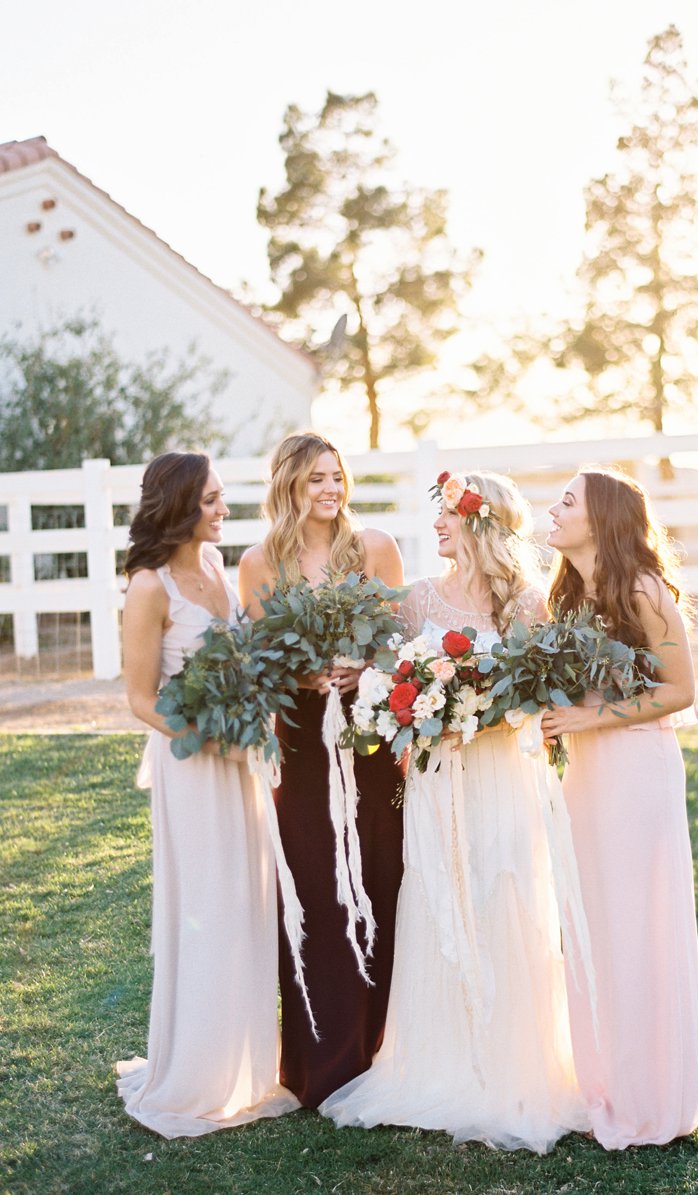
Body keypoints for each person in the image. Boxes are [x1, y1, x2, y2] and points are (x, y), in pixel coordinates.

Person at [320, 471, 587, 1154]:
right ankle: (441, 1060)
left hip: (500, 773)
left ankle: (508, 1067)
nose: (435, 526)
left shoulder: (528, 603)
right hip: (437, 779)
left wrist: (471, 714)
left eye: (446, 516)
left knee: (503, 893)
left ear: (480, 524)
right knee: (441, 898)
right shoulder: (416, 600)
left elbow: (541, 696)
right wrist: (393, 697)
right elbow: (387, 681)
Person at [116, 451, 297, 1137]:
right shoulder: (149, 587)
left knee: (246, 898)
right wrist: (207, 735)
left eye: (223, 499)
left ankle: (242, 1063)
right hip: (193, 762)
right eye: (213, 501)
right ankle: (196, 1070)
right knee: (209, 901)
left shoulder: (219, 568)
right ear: (182, 505)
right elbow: (139, 697)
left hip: (238, 754)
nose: (224, 510)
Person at [238, 431, 405, 1109]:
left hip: (367, 734)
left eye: (337, 477)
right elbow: (257, 659)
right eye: (315, 479)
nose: (331, 490)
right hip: (302, 740)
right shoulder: (258, 563)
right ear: (288, 486)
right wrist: (300, 670)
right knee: (313, 889)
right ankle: (319, 1064)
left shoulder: (374, 550)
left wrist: (364, 667)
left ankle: (380, 1049)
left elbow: (401, 647)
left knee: (377, 878)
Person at [540, 466, 698, 1150]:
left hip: (637, 768)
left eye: (567, 501)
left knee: (638, 925)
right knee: (595, 921)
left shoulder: (642, 588)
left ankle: (649, 1095)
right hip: (588, 771)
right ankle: (602, 1080)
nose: (553, 508)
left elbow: (680, 689)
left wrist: (588, 714)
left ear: (599, 517)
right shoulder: (569, 598)